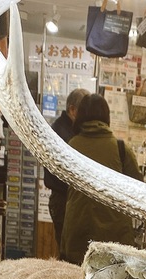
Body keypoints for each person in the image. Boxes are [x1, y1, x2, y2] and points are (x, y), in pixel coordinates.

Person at [60, 93, 143, 266]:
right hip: (114, 237)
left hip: (77, 231)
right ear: (107, 116)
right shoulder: (120, 149)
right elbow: (138, 189)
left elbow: (60, 186)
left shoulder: (71, 146)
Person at [43, 88, 89, 244]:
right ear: (72, 110)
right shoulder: (63, 133)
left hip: (66, 200)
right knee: (67, 250)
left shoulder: (68, 130)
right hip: (63, 200)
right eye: (84, 111)